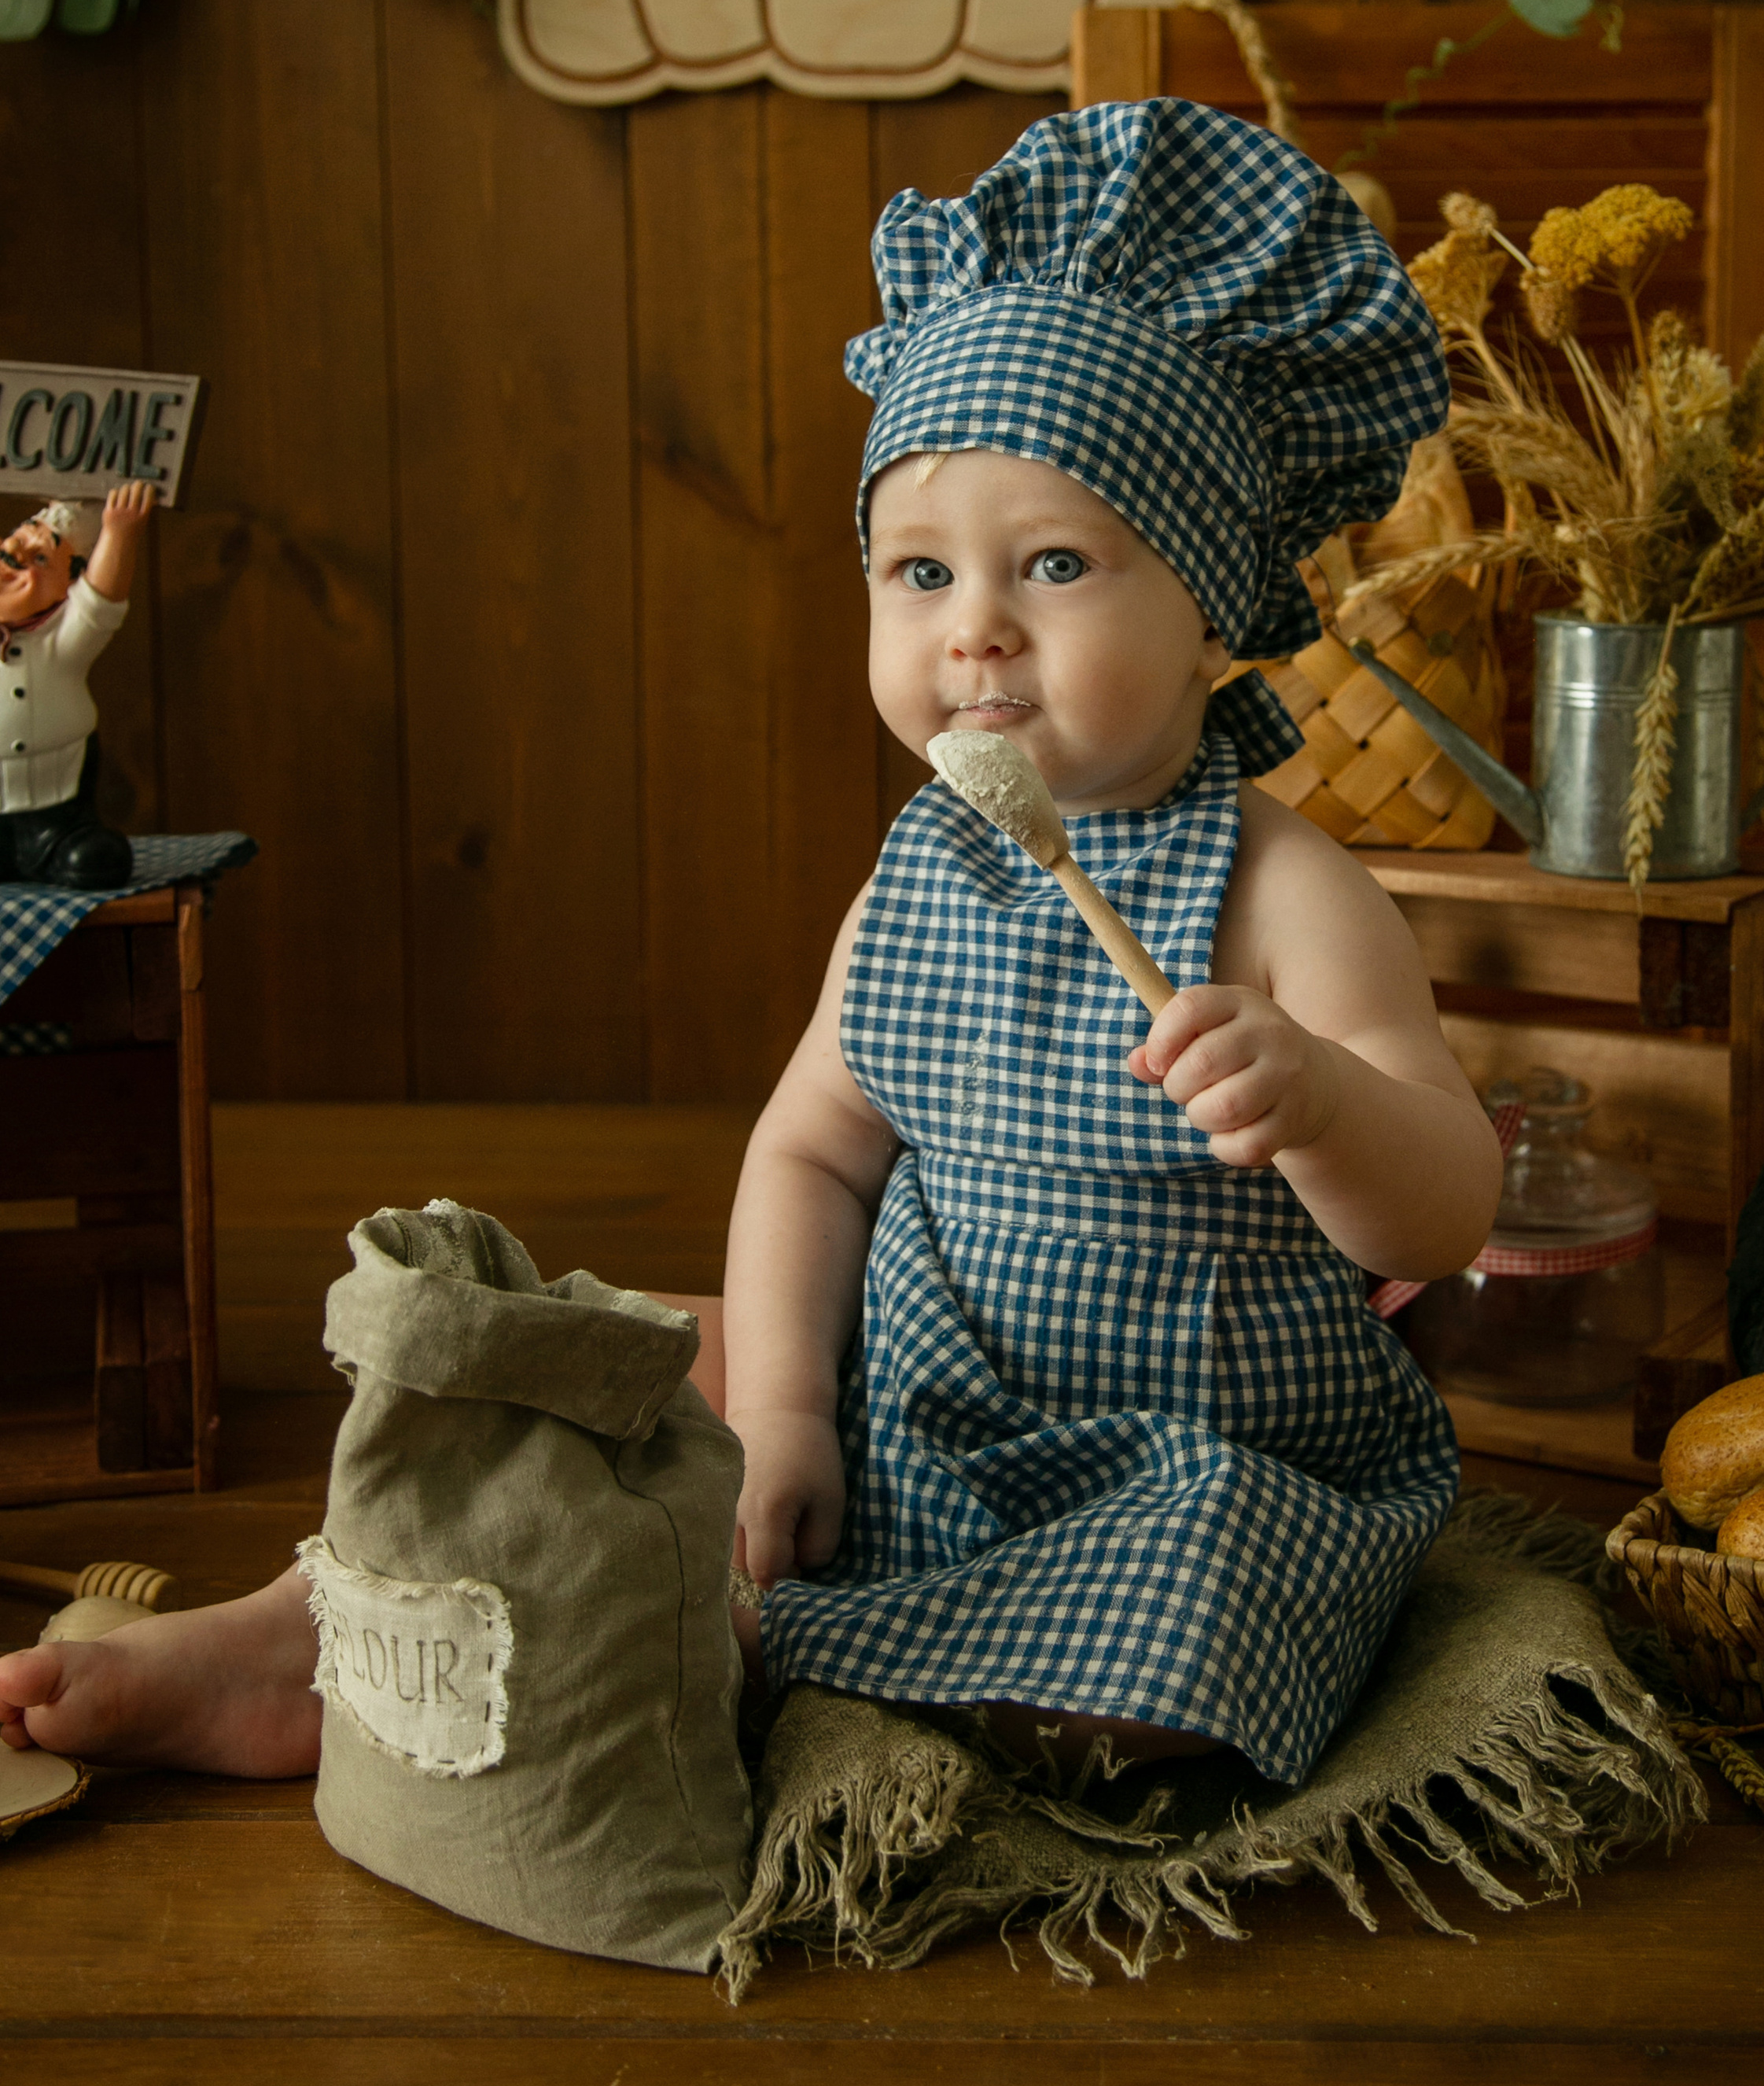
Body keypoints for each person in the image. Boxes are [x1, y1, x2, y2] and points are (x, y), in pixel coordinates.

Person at [0, 101, 1500, 1790]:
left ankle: (683, 1647)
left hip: (1190, 1448)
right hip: (912, 1395)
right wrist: (786, 1404)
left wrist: (1312, 1100)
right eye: (916, 571)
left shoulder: (1278, 886)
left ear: (1209, 597)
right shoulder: (922, 874)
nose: (973, 629)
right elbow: (811, 1154)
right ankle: (317, 1630)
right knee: (591, 1370)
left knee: (1198, 1621)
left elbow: (1446, 1202)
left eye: (1057, 565)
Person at [0, 480, 157, 888]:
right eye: (10, 548)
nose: (12, 561)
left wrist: (119, 534)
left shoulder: (62, 640)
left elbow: (101, 601)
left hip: (56, 814)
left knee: (92, 861)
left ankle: (66, 847)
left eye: (38, 558)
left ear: (69, 585)